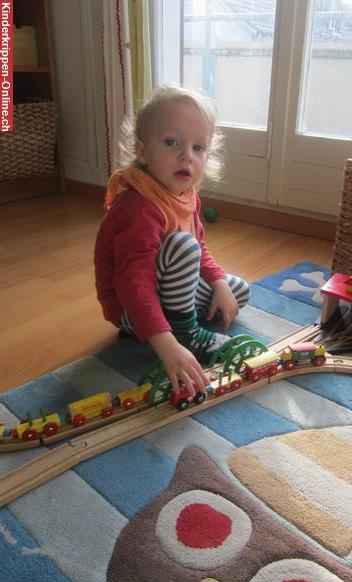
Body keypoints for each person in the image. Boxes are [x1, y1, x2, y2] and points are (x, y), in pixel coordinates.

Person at [94, 84, 250, 397]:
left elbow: (201, 249)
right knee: (182, 246)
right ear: (142, 151)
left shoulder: (185, 195)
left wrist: (218, 283)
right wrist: (167, 344)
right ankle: (184, 333)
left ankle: (178, 321)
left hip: (167, 292)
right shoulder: (138, 207)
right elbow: (132, 282)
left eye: (198, 147)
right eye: (171, 142)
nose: (185, 156)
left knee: (238, 290)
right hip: (131, 308)